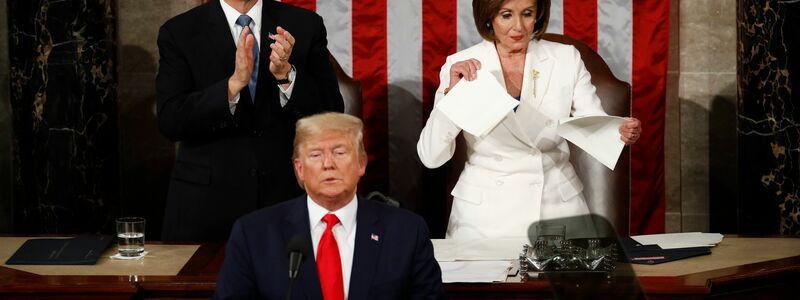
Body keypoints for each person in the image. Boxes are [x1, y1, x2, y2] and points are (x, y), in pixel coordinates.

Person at [417, 0, 642, 239]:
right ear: (489, 17)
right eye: (506, 15)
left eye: (527, 14)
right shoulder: (460, 65)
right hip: (484, 219)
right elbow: (431, 156)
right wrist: (454, 97)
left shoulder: (565, 58)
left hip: (558, 211)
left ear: (538, 15)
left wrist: (620, 132)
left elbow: (593, 124)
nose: (518, 27)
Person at [156, 0, 344, 241]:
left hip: (285, 200)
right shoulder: (179, 31)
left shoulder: (305, 25)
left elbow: (331, 113)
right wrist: (232, 87)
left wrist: (287, 77)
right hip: (206, 208)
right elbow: (171, 120)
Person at [215, 112, 443, 299]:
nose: (328, 164)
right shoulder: (254, 234)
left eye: (339, 152)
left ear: (361, 163)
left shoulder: (406, 232)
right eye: (315, 155)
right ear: (299, 169)